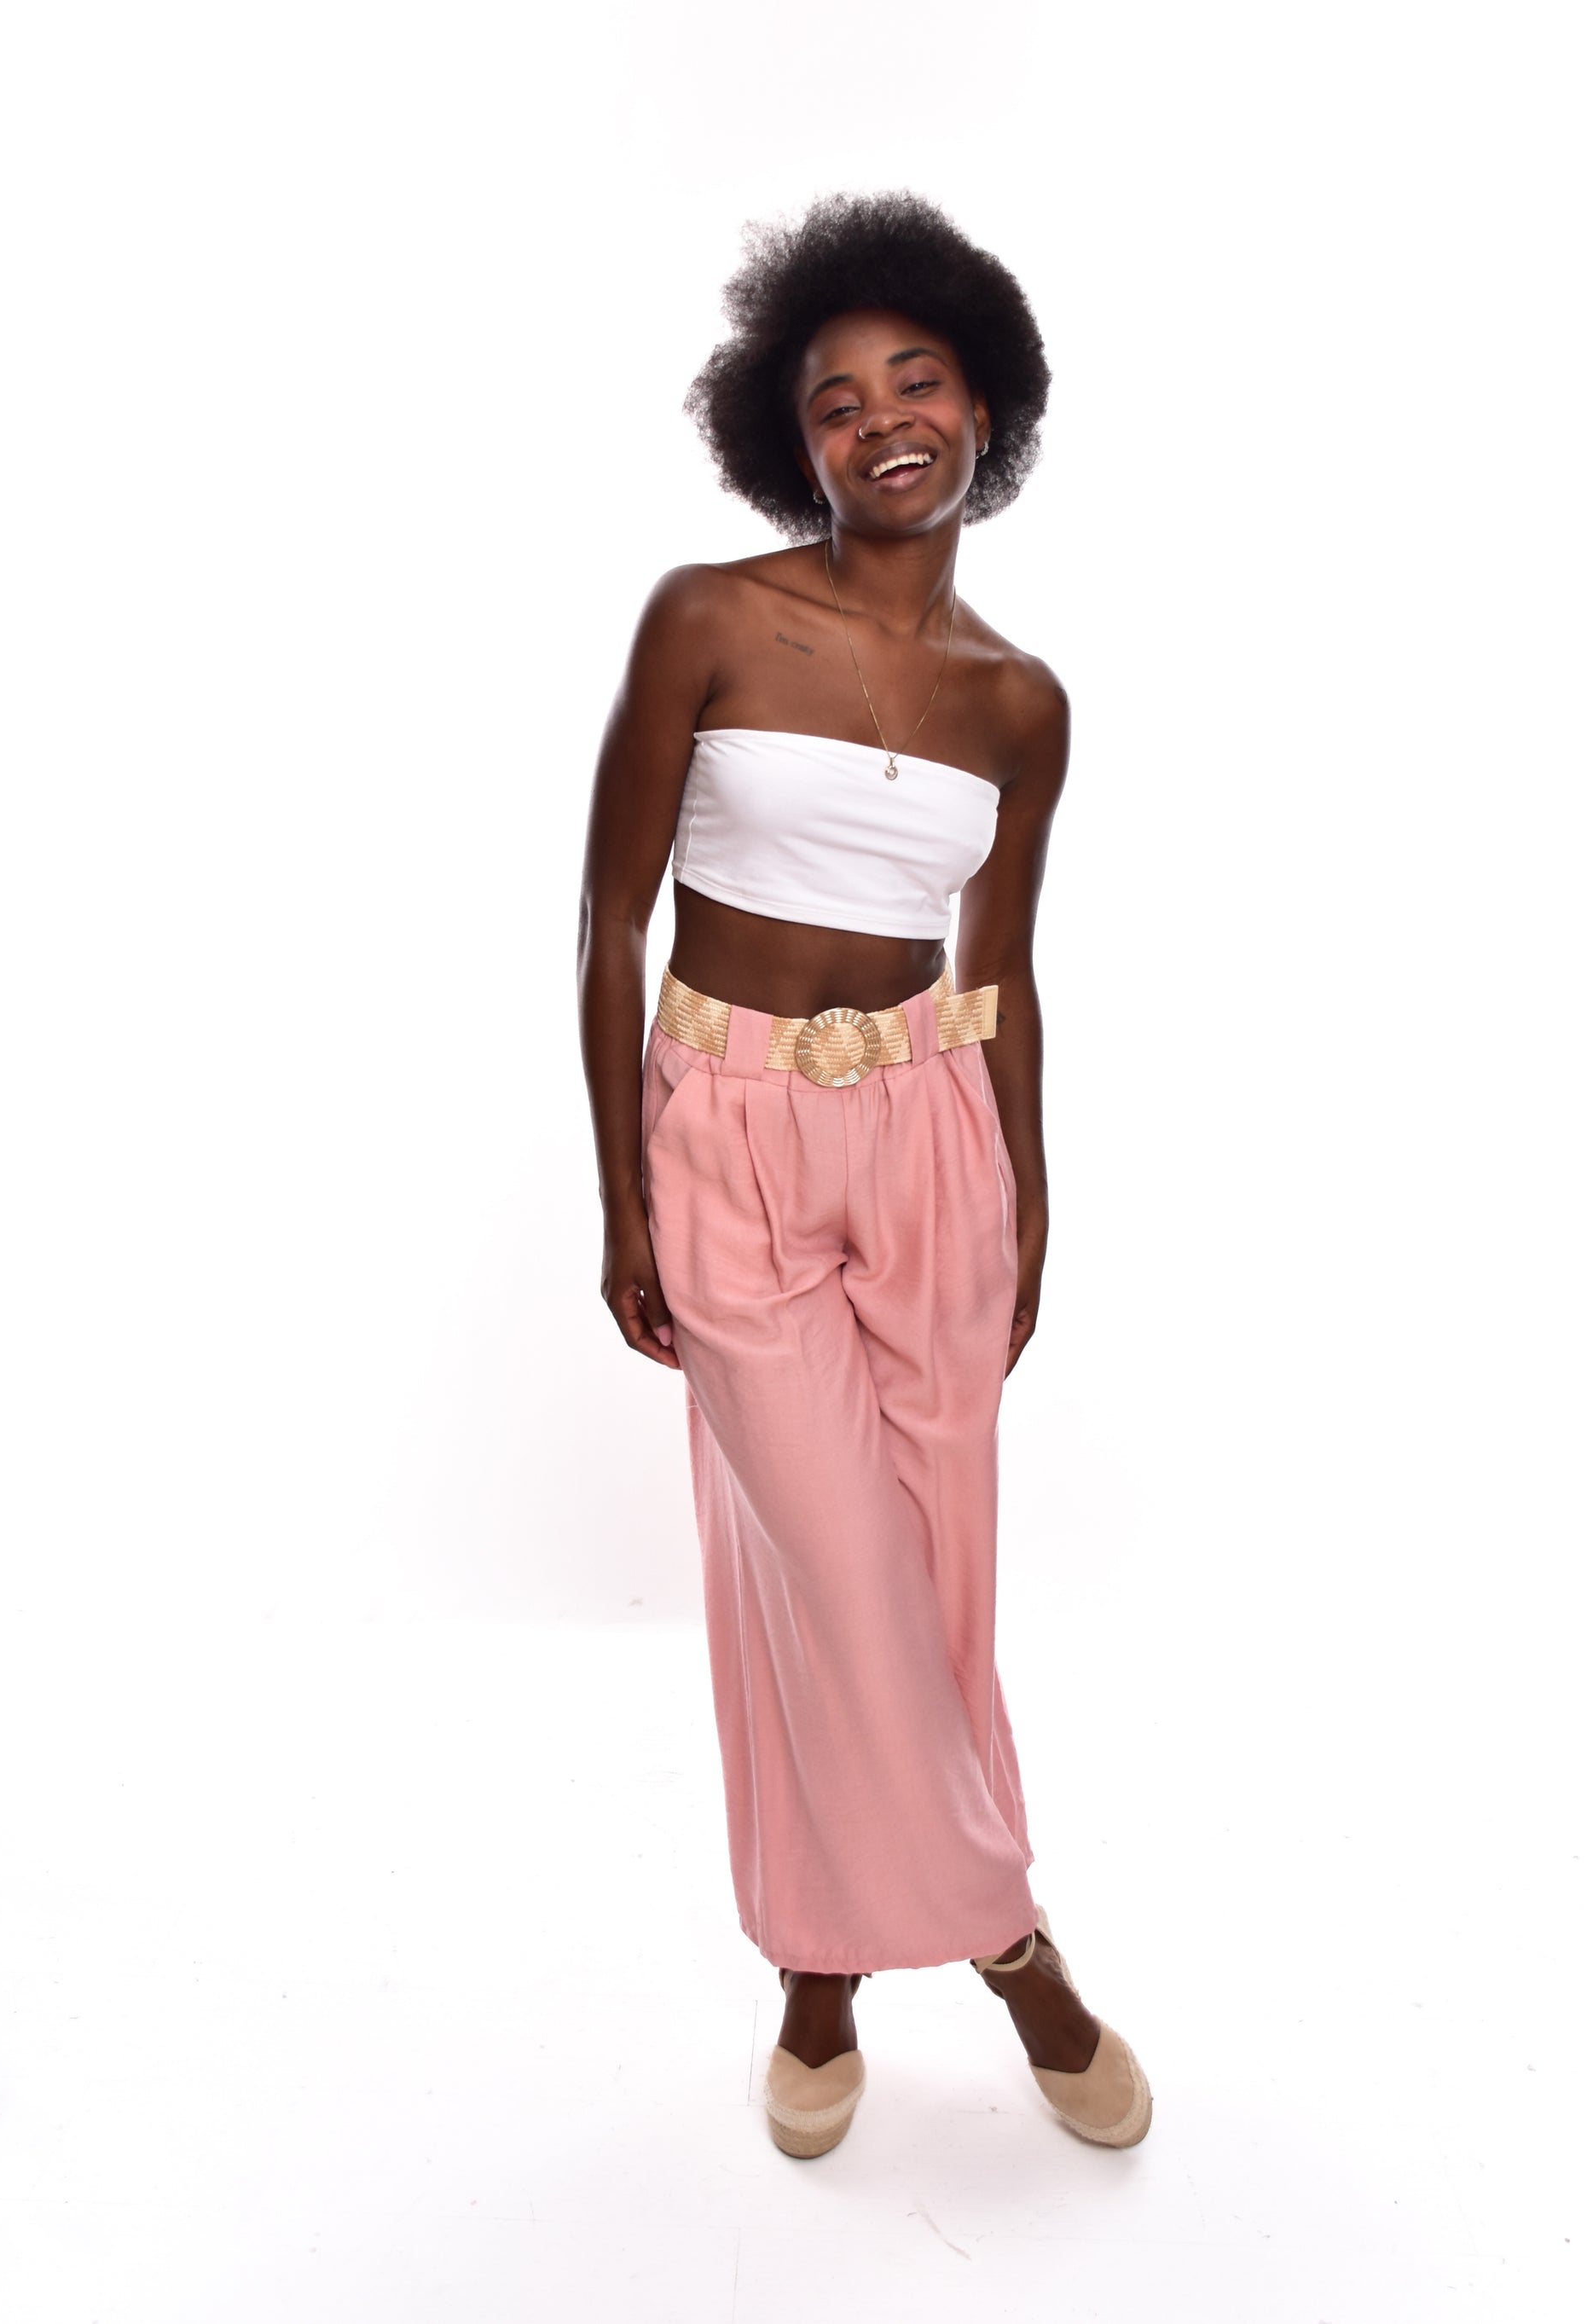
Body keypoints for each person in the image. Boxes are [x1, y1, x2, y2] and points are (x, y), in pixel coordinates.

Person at [576, 191, 1150, 2160]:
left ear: (985, 404)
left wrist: (1031, 1195)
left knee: (930, 1576)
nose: (881, 420)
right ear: (788, 437)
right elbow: (608, 916)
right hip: (725, 1128)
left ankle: (820, 1965)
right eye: (834, 401)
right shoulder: (709, 619)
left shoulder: (1020, 702)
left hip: (930, 1141)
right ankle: (1010, 1946)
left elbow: (1004, 970)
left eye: (916, 382)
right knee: (821, 1567)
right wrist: (621, 1193)